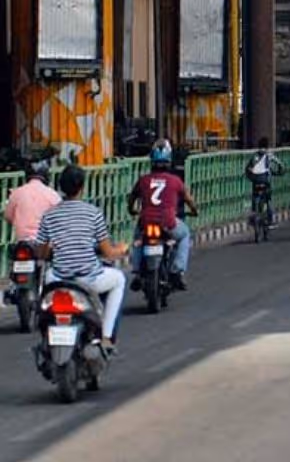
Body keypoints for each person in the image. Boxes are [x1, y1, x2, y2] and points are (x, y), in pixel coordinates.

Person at [36, 165, 129, 350]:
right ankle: (107, 336)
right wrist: (122, 249)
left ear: (61, 187)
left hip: (60, 279)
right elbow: (108, 252)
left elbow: (41, 253)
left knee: (47, 283)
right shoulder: (93, 213)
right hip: (89, 280)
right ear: (82, 187)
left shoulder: (49, 215)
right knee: (119, 279)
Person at [129, 140, 197, 291]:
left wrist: (131, 210)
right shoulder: (176, 181)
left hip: (146, 221)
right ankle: (177, 271)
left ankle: (137, 272)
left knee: (138, 239)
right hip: (168, 222)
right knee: (184, 234)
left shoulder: (143, 180)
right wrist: (194, 211)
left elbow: (132, 197)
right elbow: (189, 199)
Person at [3, 159, 60, 242]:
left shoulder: (17, 193)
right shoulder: (53, 195)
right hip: (44, 243)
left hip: (22, 241)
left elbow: (8, 216)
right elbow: (58, 219)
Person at [245, 137, 283, 224]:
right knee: (268, 199)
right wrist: (280, 171)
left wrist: (250, 178)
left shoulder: (254, 156)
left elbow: (248, 168)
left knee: (255, 196)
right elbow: (280, 164)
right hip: (265, 180)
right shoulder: (269, 155)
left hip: (255, 180)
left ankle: (253, 214)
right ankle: (270, 219)